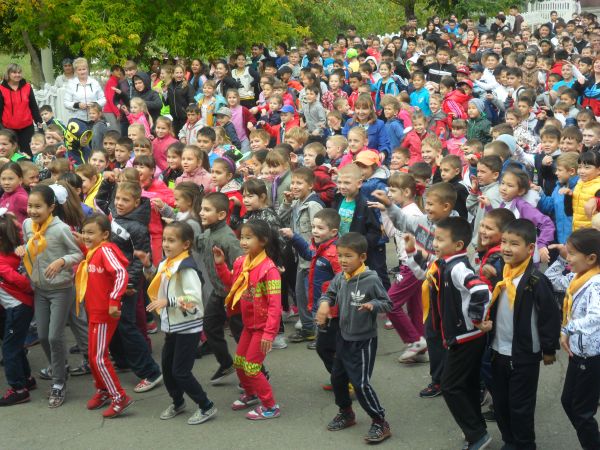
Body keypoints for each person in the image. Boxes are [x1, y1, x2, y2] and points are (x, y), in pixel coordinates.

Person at [485, 219, 560, 449]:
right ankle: (510, 441)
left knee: (521, 406)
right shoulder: (502, 274)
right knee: (501, 403)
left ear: (530, 248)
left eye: (514, 243)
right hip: (498, 351)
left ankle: (525, 444)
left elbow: (549, 316)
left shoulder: (535, 280)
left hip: (523, 356)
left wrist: (549, 348)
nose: (506, 248)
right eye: (504, 242)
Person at [138, 222, 217, 425]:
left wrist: (169, 302)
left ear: (186, 244)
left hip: (188, 327)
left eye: (171, 240)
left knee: (180, 372)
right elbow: (159, 282)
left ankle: (206, 405)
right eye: (164, 239)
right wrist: (147, 266)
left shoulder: (186, 268)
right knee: (167, 368)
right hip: (172, 326)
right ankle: (178, 402)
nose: (165, 244)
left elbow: (194, 299)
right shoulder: (167, 262)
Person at [316, 232, 392, 443]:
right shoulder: (341, 277)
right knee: (337, 378)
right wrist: (324, 304)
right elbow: (329, 294)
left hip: (364, 341)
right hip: (343, 337)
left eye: (348, 256)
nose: (342, 260)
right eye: (340, 255)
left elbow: (387, 303)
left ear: (362, 257)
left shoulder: (371, 279)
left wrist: (373, 305)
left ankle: (380, 421)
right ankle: (346, 413)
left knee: (361, 384)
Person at [20, 184, 84, 407]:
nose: (32, 210)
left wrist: (62, 261)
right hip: (39, 289)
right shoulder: (27, 225)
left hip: (61, 289)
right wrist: (22, 252)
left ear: (51, 207)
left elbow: (78, 253)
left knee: (55, 336)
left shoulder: (61, 229)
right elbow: (28, 246)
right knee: (43, 336)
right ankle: (60, 366)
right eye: (30, 206)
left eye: (38, 206)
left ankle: (58, 382)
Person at [215, 219, 282, 420]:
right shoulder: (240, 262)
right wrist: (220, 265)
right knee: (239, 363)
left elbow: (275, 306)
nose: (243, 242)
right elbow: (232, 285)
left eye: (248, 237)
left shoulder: (269, 270)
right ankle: (251, 394)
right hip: (248, 326)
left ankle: (270, 406)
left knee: (252, 367)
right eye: (242, 237)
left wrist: (269, 334)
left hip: (262, 328)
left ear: (263, 241)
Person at [100, 181, 163, 393]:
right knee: (116, 322)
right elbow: (100, 201)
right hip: (113, 282)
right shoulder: (116, 215)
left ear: (136, 202)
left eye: (125, 200)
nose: (119, 203)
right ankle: (123, 360)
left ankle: (150, 372)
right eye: (117, 198)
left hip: (126, 285)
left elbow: (140, 260)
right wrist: (107, 183)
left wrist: (130, 284)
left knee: (127, 325)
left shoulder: (138, 228)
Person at [74, 214, 133, 417]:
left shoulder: (105, 249)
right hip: (94, 311)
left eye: (91, 233)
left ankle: (119, 397)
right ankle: (103, 390)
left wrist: (114, 301)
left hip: (104, 312)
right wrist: (83, 244)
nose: (86, 236)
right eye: (84, 232)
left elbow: (121, 273)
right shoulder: (94, 251)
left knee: (99, 358)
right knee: (93, 356)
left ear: (105, 234)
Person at [547, 228, 600, 449]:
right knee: (568, 401)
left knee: (581, 410)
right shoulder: (577, 277)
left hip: (591, 356)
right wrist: (560, 258)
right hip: (577, 353)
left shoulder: (596, 283)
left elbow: (596, 317)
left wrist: (567, 330)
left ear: (591, 258)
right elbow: (551, 280)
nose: (568, 257)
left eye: (571, 253)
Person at [195, 192, 244, 383]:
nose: (201, 213)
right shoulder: (208, 233)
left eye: (207, 210)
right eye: (201, 209)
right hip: (218, 292)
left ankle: (259, 373)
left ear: (222, 214)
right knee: (210, 327)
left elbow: (241, 266)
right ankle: (226, 364)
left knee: (241, 337)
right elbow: (197, 244)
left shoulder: (227, 238)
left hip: (233, 296)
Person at [279, 167, 324, 343]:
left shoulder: (313, 205)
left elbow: (320, 231)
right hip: (301, 258)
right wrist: (287, 202)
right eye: (293, 183)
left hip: (312, 257)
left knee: (313, 297)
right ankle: (308, 330)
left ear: (310, 185)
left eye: (299, 183)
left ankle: (321, 334)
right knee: (301, 296)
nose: (294, 186)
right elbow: (281, 217)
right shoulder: (297, 202)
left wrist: (316, 253)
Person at [0, 214, 35, 406]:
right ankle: (26, 379)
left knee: (9, 349)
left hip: (18, 308)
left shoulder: (3, 259)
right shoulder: (10, 251)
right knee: (15, 344)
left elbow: (19, 280)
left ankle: (18, 390)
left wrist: (29, 289)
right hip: (16, 307)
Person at [0, 64, 43, 156]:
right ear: (8, 74)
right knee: (10, 154)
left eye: (19, 72)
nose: (17, 75)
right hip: (8, 128)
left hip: (26, 127)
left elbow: (33, 106)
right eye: (14, 72)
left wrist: (39, 122)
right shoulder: (1, 89)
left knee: (28, 153)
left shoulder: (27, 87)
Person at [63, 57, 106, 122]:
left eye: (84, 69)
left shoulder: (94, 82)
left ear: (87, 69)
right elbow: (66, 103)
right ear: (76, 71)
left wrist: (94, 104)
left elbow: (103, 99)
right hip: (77, 119)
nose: (82, 72)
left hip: (94, 119)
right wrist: (78, 105)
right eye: (79, 70)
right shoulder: (71, 84)